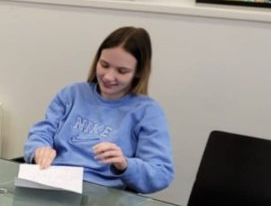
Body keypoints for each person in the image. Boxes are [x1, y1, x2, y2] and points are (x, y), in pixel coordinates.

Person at [24, 26, 174, 194]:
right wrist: (39, 148)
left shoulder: (147, 112)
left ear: (138, 72)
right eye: (104, 65)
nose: (109, 77)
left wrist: (125, 164)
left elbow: (161, 174)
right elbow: (42, 131)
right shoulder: (72, 94)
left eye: (122, 71)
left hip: (102, 202)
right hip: (51, 187)